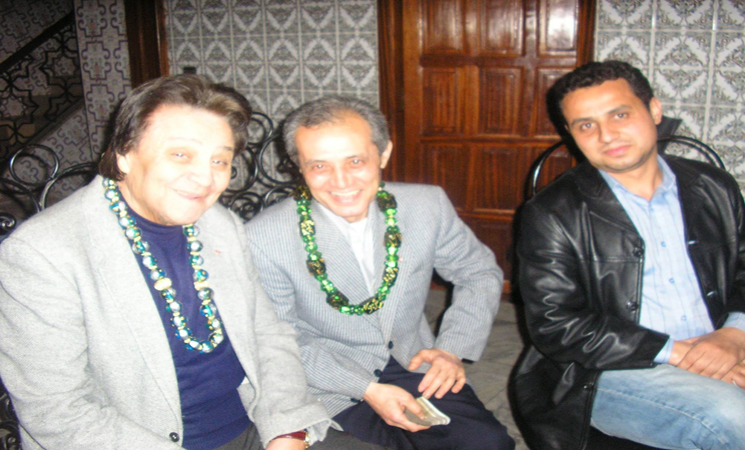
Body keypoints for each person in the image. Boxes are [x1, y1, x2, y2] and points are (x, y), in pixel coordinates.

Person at [0, 75, 381, 450]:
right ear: (124, 154)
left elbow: (268, 335)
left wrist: (288, 430)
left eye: (220, 160)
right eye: (180, 154)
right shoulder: (44, 253)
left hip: (256, 423)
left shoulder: (220, 225)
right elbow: (57, 413)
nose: (204, 177)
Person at [244, 95, 514, 450]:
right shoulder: (264, 236)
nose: (341, 181)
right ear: (299, 166)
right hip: (322, 376)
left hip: (410, 359)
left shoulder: (426, 205)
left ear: (384, 153)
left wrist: (451, 349)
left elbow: (477, 272)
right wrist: (367, 389)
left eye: (355, 161)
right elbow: (277, 339)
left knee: (488, 444)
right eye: (319, 166)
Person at [512, 60, 745, 450]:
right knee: (733, 417)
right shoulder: (553, 213)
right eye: (586, 125)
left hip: (723, 339)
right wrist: (684, 354)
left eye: (620, 114)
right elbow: (556, 325)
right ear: (571, 134)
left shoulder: (713, 187)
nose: (606, 135)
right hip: (607, 370)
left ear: (654, 110)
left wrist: (734, 336)